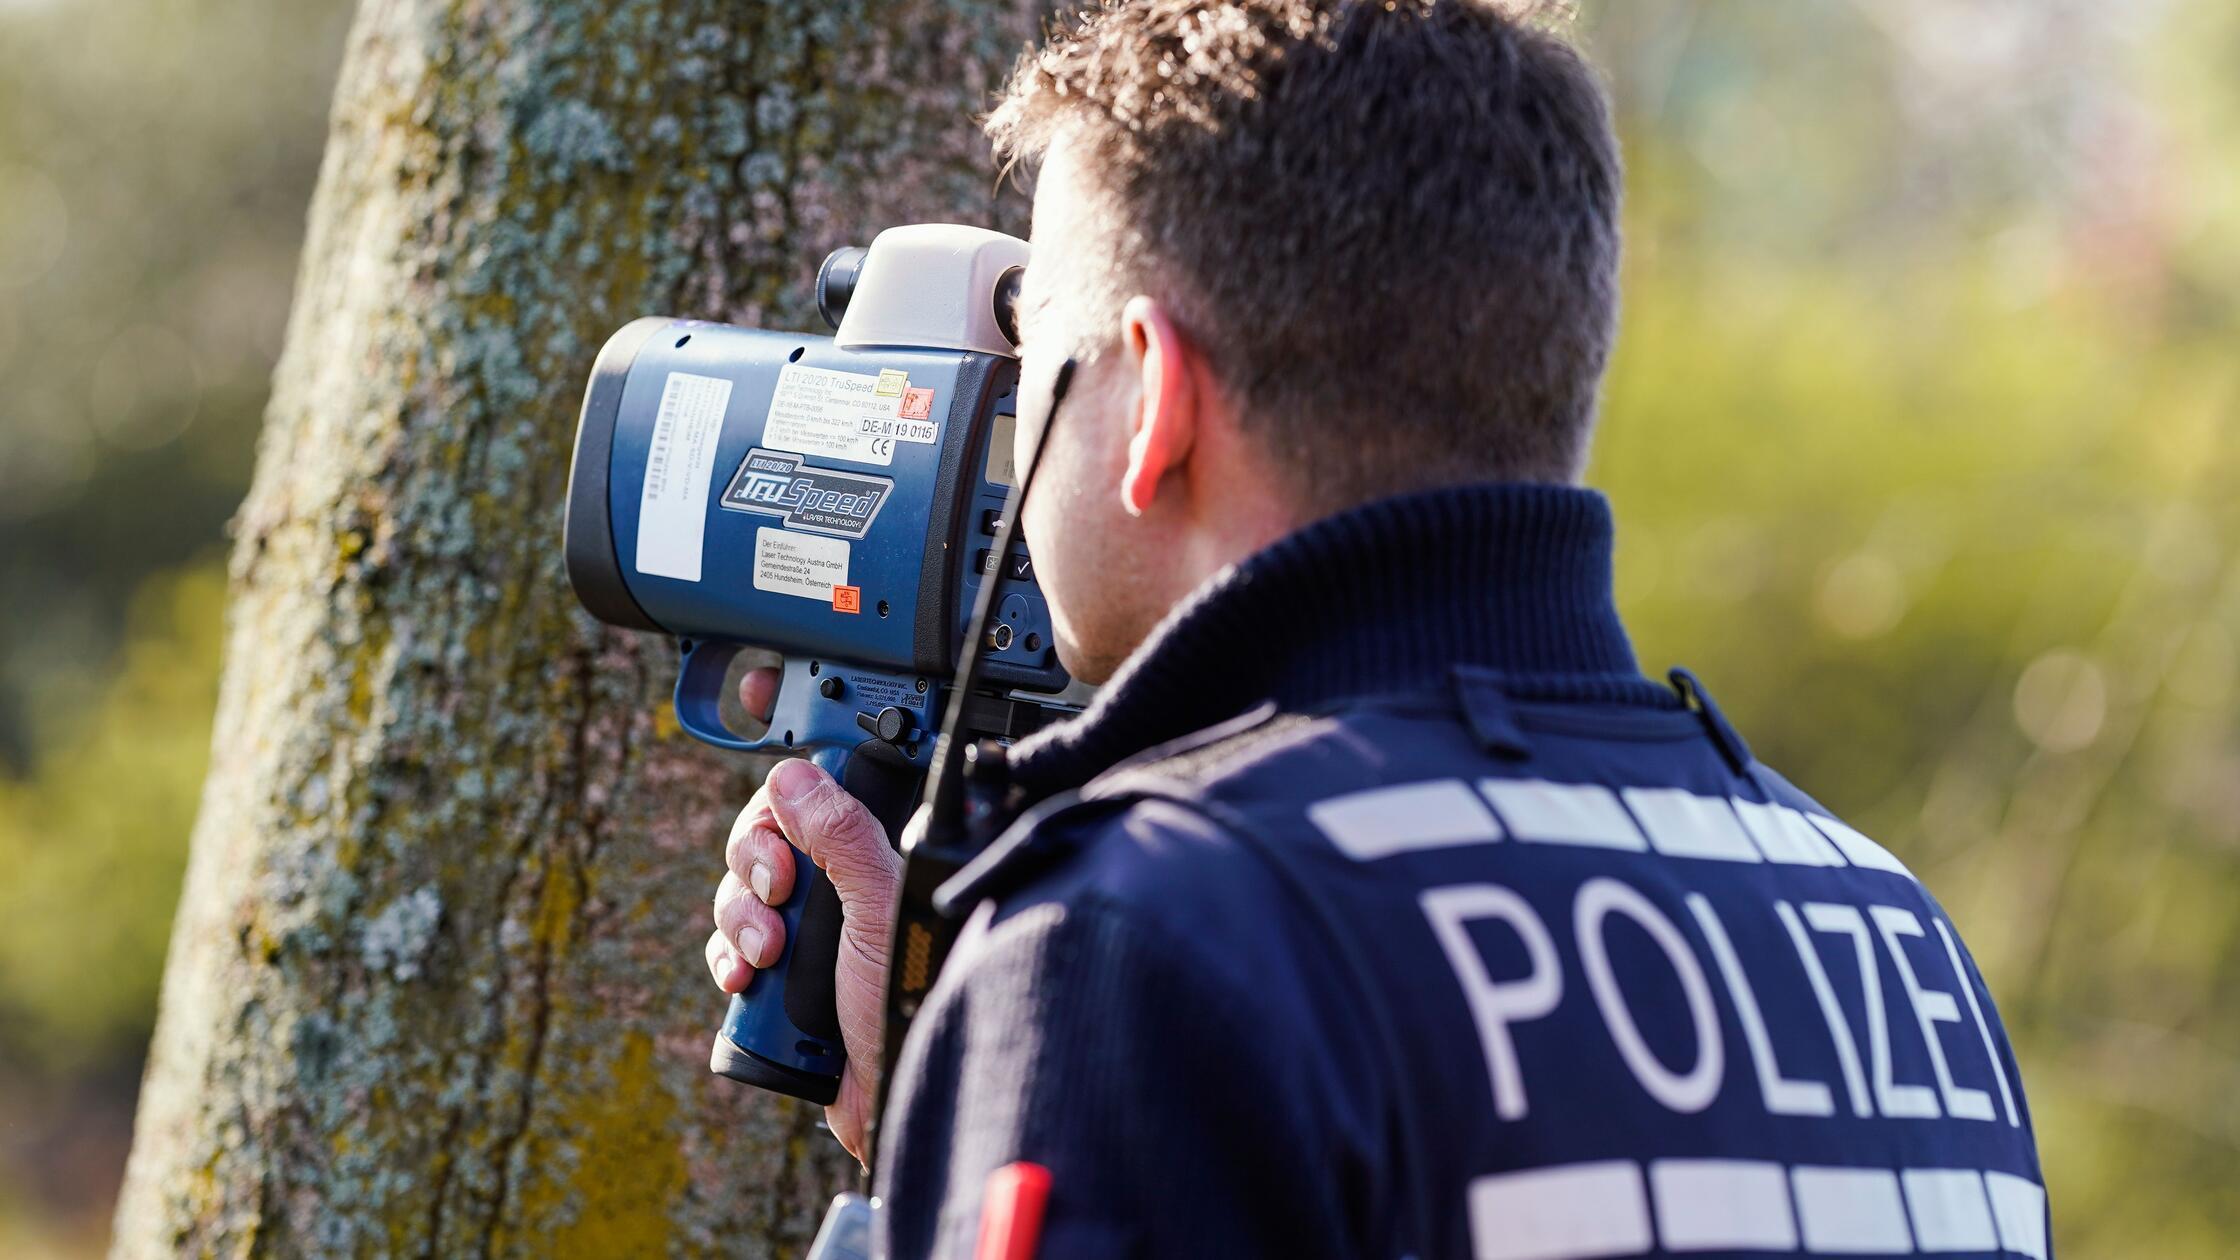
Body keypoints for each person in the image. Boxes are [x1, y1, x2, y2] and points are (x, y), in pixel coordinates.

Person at [707, 2, 2050, 1256]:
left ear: (1157, 397)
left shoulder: (1148, 947)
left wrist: (985, 1110)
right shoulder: (1901, 944)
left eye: (1037, 368)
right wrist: (957, 1104)